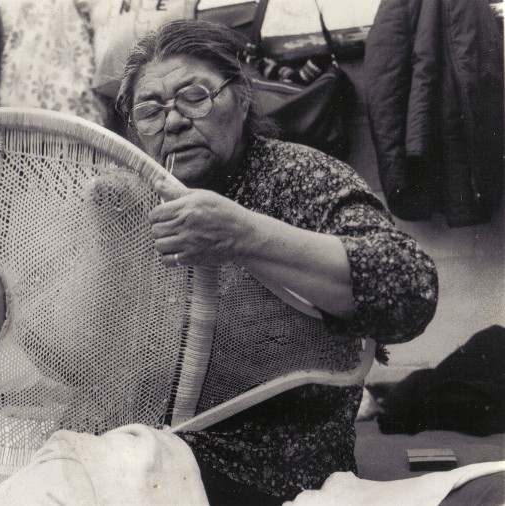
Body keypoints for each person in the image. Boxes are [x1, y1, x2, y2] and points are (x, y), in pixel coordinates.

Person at [116, 19, 439, 505]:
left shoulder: (296, 176)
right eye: (150, 109)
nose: (174, 121)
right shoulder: (136, 203)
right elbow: (74, 361)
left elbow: (409, 287)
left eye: (195, 96)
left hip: (269, 471)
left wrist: (243, 234)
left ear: (242, 98)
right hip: (148, 455)